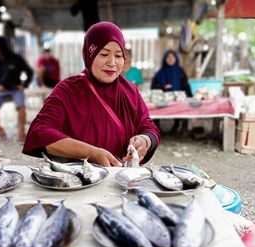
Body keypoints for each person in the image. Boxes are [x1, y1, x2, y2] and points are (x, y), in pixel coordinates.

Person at [23, 21, 160, 167]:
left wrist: (145, 140)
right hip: (79, 180)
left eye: (119, 55)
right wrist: (91, 153)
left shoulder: (130, 91)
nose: (112, 63)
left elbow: (149, 127)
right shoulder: (68, 90)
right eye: (104, 54)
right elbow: (41, 132)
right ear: (90, 54)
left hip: (122, 179)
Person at [0, 36, 33, 142]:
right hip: (0, 90)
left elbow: (29, 71)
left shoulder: (16, 58)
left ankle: (21, 131)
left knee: (21, 108)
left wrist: (24, 84)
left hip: (15, 89)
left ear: (1, 46)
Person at [151, 49, 192, 133]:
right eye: (168, 58)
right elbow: (154, 86)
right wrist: (163, 87)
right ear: (165, 59)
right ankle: (157, 127)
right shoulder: (160, 72)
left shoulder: (180, 71)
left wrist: (190, 96)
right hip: (163, 97)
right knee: (157, 105)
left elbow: (185, 85)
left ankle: (178, 125)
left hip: (178, 98)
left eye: (172, 57)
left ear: (176, 59)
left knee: (183, 105)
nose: (170, 59)